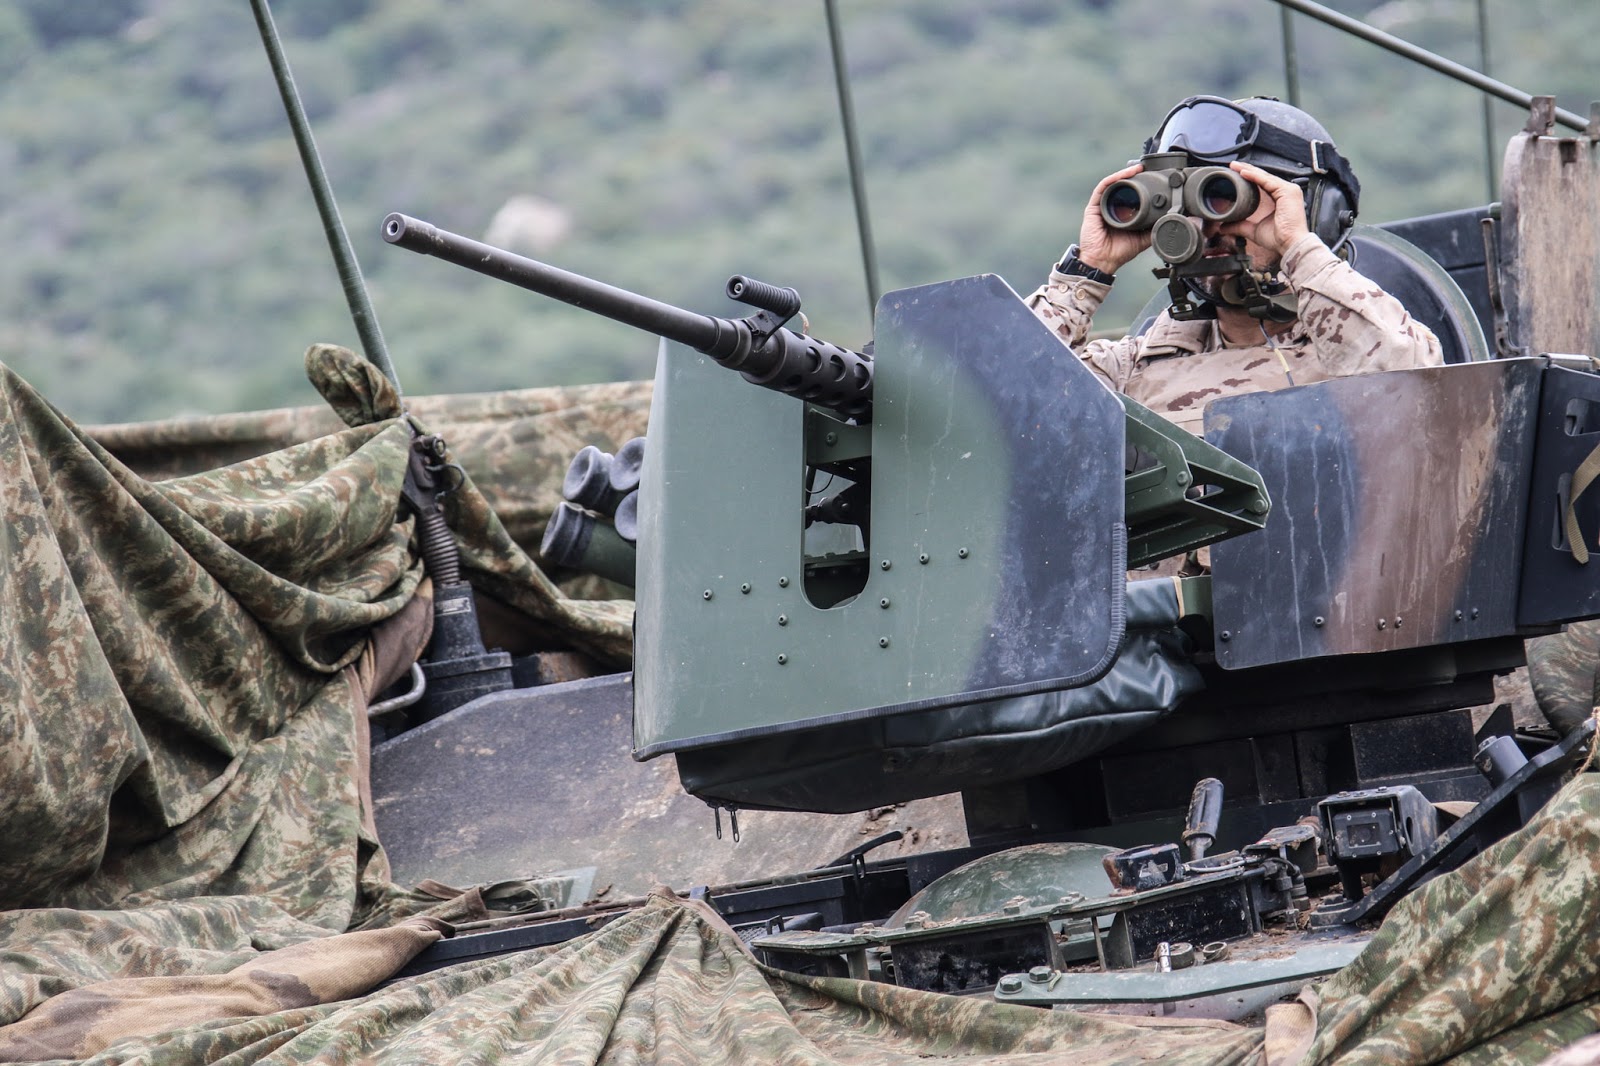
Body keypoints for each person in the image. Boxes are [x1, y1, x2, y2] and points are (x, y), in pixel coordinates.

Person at [1027, 95, 1444, 440]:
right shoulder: (1128, 372)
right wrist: (1090, 268)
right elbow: (998, 411)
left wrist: (1297, 245)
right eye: (1191, 202)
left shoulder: (1359, 344)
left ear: (1316, 211)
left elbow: (1419, 390)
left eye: (1225, 195)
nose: (1210, 225)